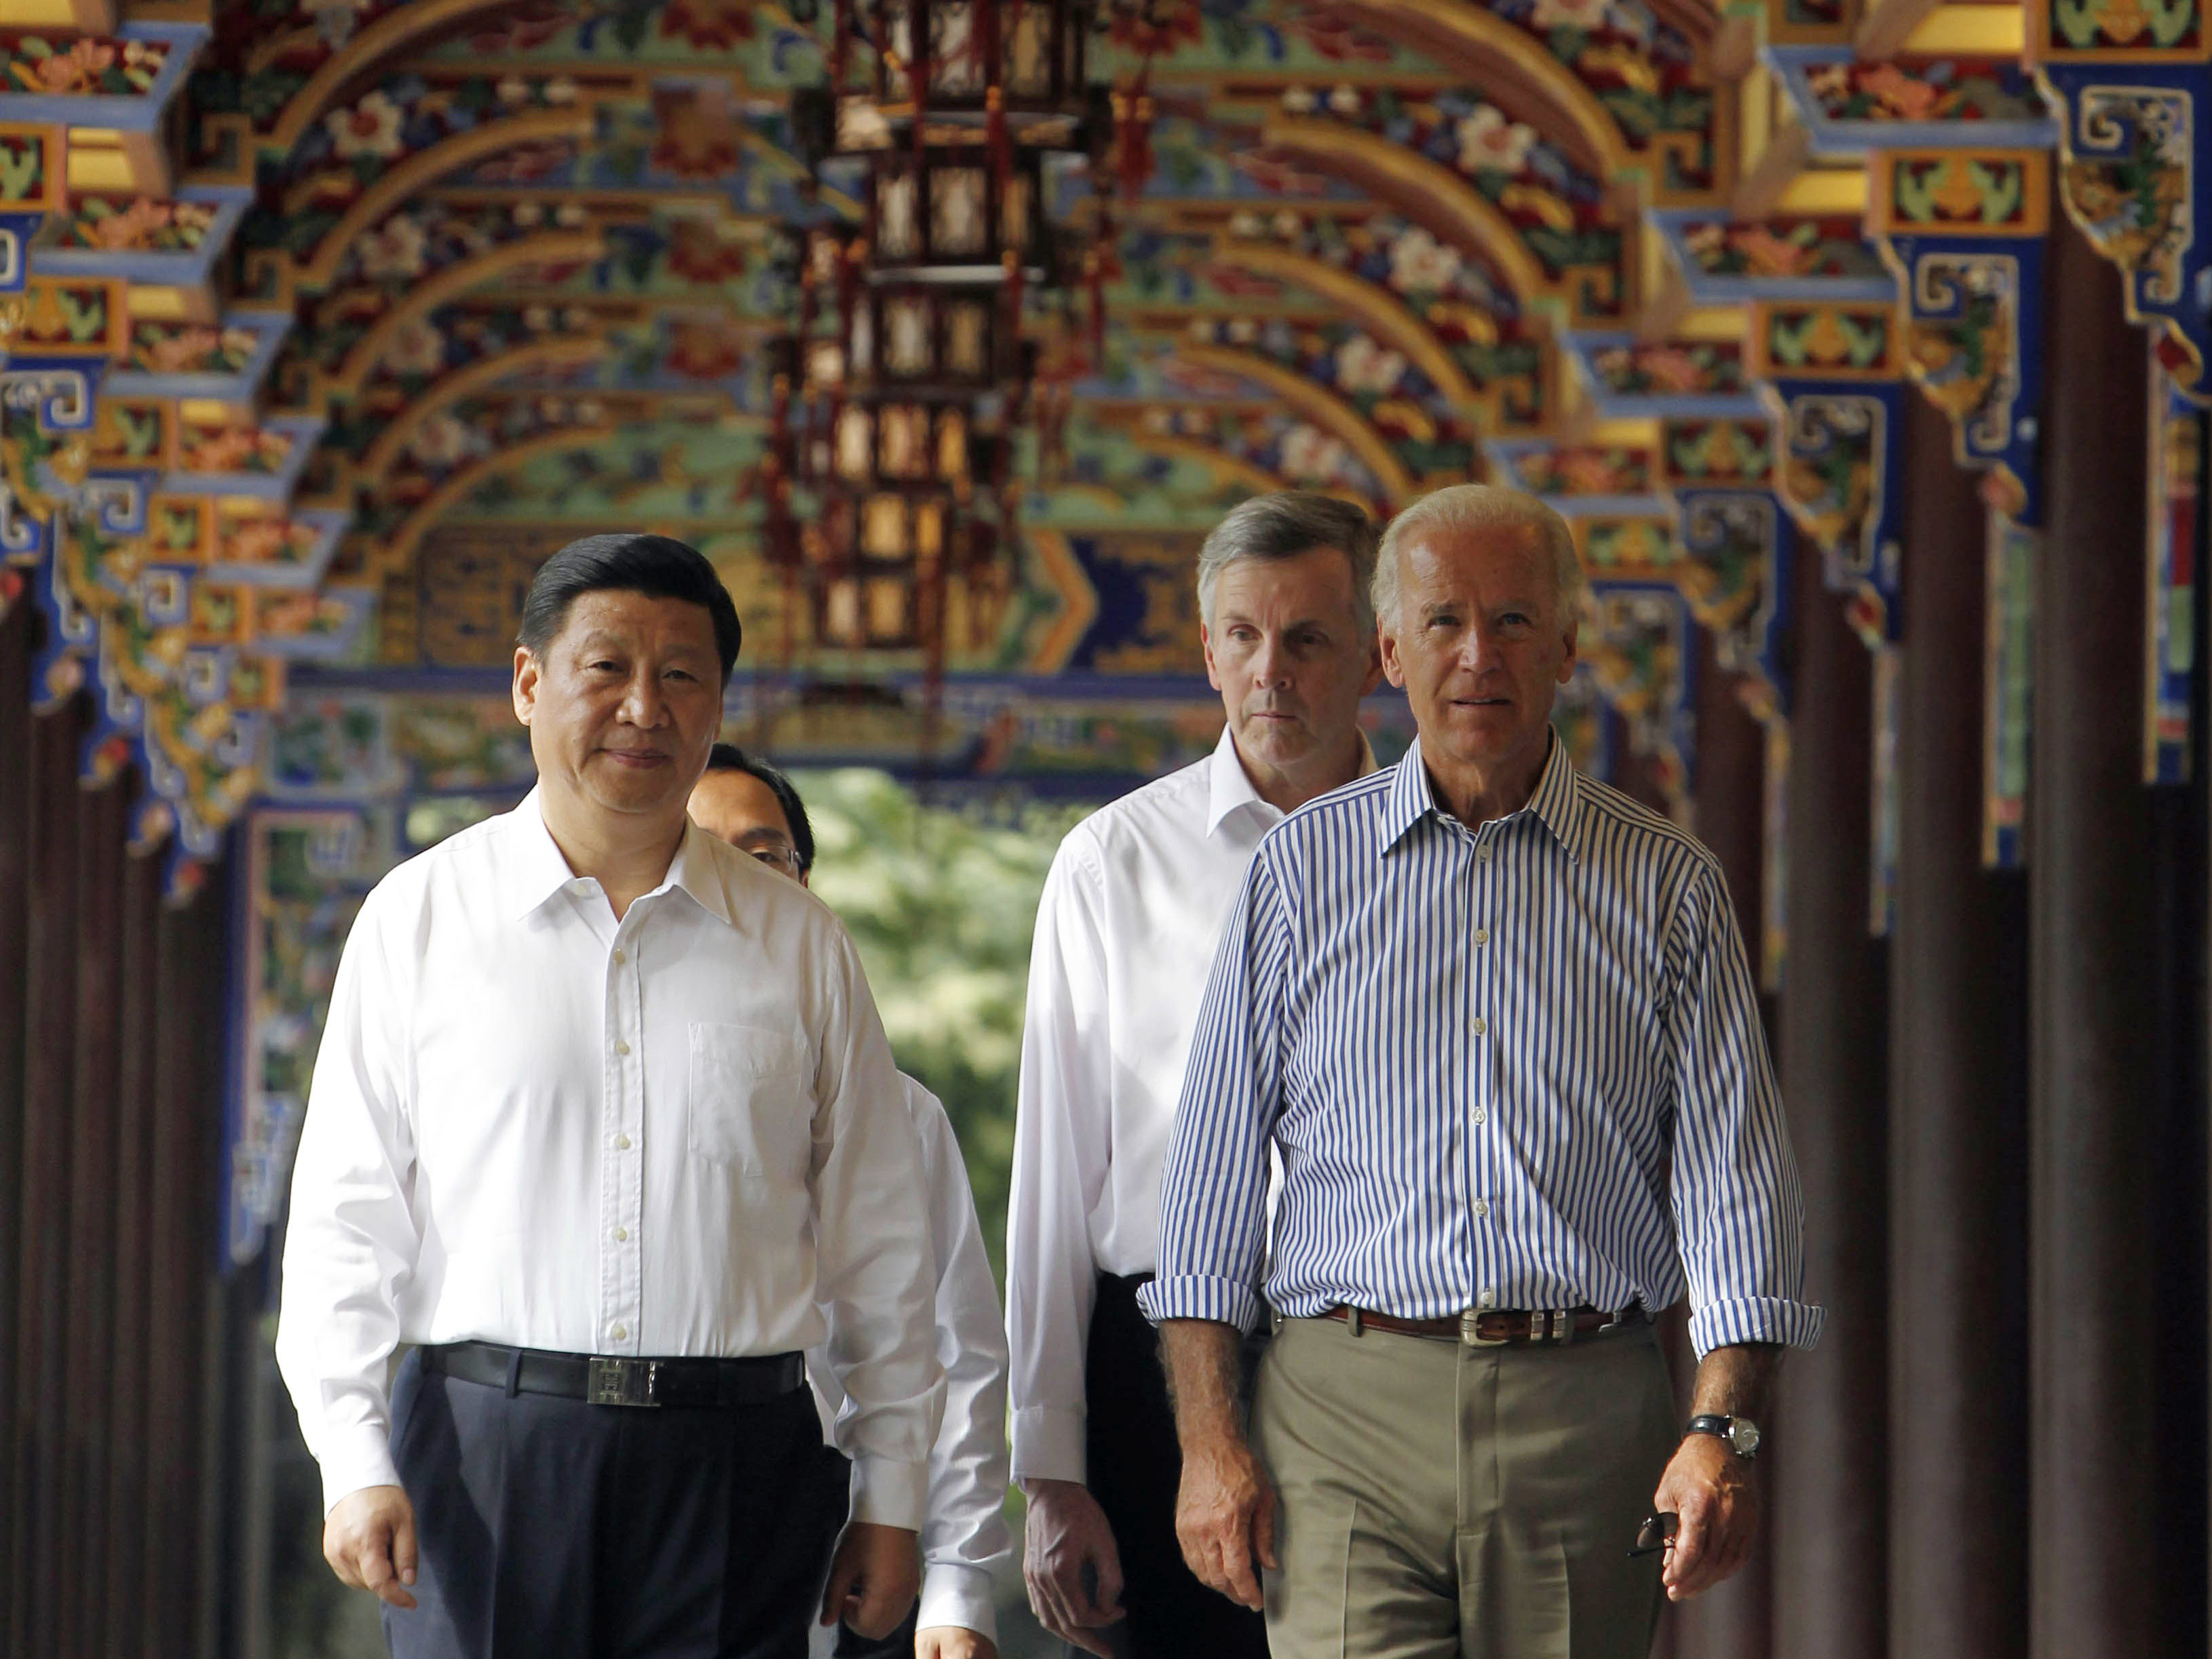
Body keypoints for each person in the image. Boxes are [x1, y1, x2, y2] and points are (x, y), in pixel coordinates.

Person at [1137, 483, 1824, 1659]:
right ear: (1390, 650)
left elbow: (1737, 1192)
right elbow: (1205, 1197)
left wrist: (1724, 1429)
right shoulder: (1300, 876)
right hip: (1338, 1409)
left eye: (1513, 621)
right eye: (1443, 621)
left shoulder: (1667, 887)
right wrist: (1211, 1442)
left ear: (1567, 646)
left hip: (1583, 1409)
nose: (1477, 655)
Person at [276, 533, 942, 1659]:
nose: (645, 706)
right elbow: (347, 1217)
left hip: (738, 1464)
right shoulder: (421, 918)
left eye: (682, 675)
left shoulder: (797, 941)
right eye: (607, 669)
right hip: (487, 1454)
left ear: (718, 700)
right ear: (531, 684)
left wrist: (893, 1489)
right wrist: (353, 1459)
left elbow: (879, 1235)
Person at [1007, 493, 1385, 1658]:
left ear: (1375, 651)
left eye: (1309, 639)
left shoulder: (1445, 858)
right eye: (1244, 637)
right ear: (1206, 650)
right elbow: (1054, 1179)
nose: (1273, 672)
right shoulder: (1111, 862)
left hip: (1387, 1355)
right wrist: (1050, 1470)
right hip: (1157, 1367)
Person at [688, 745, 1011, 1659]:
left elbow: (962, 1352)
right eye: (699, 855)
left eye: (763, 858)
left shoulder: (901, 1113)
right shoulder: (602, 1104)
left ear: (808, 892)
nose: (733, 888)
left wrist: (957, 1585)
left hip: (864, 1560)